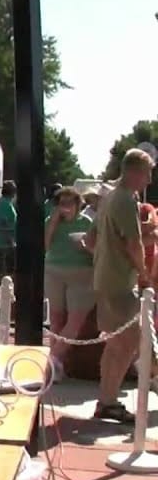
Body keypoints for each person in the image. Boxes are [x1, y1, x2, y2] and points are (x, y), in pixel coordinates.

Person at [86, 148, 154, 424]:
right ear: (136, 171)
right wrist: (143, 273)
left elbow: (93, 240)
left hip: (106, 278)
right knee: (132, 341)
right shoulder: (125, 199)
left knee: (117, 344)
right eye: (148, 173)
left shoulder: (110, 197)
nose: (149, 180)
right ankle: (108, 400)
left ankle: (107, 400)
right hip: (119, 282)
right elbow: (132, 243)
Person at [44, 187, 94, 367]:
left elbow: (96, 249)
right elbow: (46, 245)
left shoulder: (87, 222)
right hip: (54, 271)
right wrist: (53, 222)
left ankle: (53, 361)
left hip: (81, 273)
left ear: (78, 204)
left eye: (69, 203)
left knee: (75, 320)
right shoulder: (51, 221)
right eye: (61, 203)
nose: (65, 207)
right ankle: (57, 364)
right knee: (56, 318)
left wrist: (85, 246)